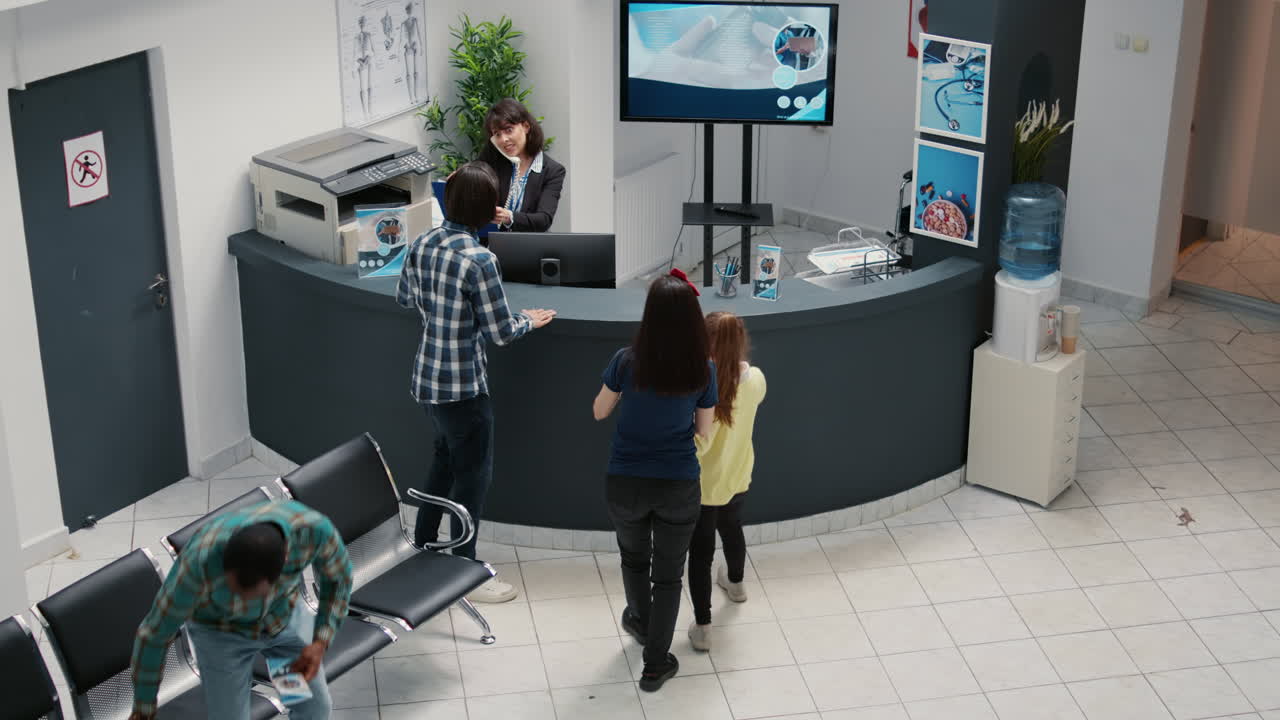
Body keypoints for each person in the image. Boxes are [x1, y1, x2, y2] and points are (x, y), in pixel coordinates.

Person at [397, 160, 555, 603]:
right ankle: (462, 574)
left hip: (427, 378)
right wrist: (529, 320)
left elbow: (405, 296)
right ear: (487, 209)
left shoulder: (424, 242)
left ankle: (425, 549)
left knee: (443, 464)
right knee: (472, 480)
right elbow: (501, 332)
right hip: (463, 388)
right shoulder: (480, 260)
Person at [593, 271, 717, 692]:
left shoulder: (626, 361)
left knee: (632, 559)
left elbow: (598, 411)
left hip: (625, 481)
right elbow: (706, 432)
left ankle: (641, 623)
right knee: (668, 577)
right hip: (678, 484)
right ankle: (655, 663)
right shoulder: (703, 367)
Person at [128, 501, 353, 720]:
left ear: (284, 562)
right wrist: (143, 709)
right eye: (233, 590)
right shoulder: (198, 564)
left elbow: (338, 581)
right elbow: (154, 635)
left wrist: (320, 642)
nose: (242, 601)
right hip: (222, 637)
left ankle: (289, 682)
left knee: (312, 709)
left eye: (251, 594)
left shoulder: (311, 532)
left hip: (282, 624)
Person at [686, 311, 767, 651]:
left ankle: (703, 627)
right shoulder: (757, 379)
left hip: (703, 485)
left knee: (700, 554)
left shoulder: (701, 385)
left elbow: (699, 441)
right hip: (737, 475)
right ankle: (736, 585)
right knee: (732, 530)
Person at [477, 98, 566, 232]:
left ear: (526, 126)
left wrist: (509, 217)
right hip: (491, 245)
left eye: (509, 130)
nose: (503, 140)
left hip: (528, 246)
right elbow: (475, 168)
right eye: (497, 134)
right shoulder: (494, 158)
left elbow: (543, 219)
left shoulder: (552, 170)